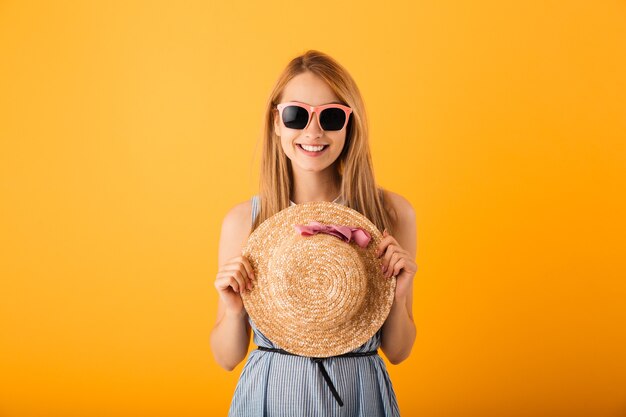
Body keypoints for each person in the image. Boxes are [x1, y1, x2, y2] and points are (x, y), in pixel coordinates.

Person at [210, 49, 418, 417]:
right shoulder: (244, 221)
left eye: (332, 116)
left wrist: (398, 297)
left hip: (359, 394)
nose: (313, 132)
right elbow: (227, 359)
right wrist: (232, 309)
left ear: (349, 124)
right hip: (272, 394)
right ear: (276, 122)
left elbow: (399, 352)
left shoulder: (390, 214)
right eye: (296, 115)